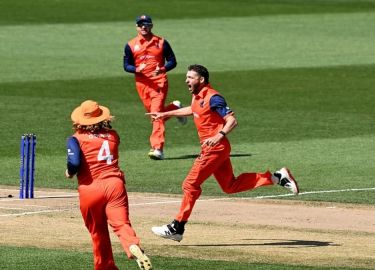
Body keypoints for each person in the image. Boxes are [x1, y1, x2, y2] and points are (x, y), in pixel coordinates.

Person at [148, 64, 300, 242]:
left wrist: (218, 136)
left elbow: (232, 120)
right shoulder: (197, 96)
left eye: (190, 77)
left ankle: (177, 226)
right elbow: (193, 110)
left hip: (215, 148)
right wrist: (166, 114)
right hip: (216, 149)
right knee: (230, 186)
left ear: (201, 80)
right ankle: (276, 177)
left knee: (190, 185)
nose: (186, 80)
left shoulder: (214, 97)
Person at [65, 100, 153, 270]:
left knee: (98, 232)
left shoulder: (75, 139)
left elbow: (74, 163)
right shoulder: (114, 136)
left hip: (91, 189)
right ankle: (132, 245)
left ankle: (105, 267)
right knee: (121, 224)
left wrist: (69, 172)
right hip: (115, 185)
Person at [124, 14, 186, 160]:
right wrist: (137, 69)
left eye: (146, 24)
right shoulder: (131, 45)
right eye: (140, 24)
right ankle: (175, 108)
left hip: (159, 82)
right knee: (155, 115)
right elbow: (126, 65)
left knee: (155, 115)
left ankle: (157, 148)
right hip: (142, 84)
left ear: (152, 25)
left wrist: (162, 69)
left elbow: (172, 61)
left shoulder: (161, 42)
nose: (143, 27)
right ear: (137, 27)